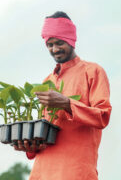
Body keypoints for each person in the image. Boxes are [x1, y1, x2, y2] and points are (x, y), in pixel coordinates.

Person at [14, 11, 112, 180]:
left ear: (71, 40)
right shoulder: (47, 82)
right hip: (41, 172)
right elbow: (43, 134)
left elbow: (103, 116)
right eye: (49, 44)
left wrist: (67, 104)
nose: (55, 49)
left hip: (76, 172)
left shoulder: (93, 72)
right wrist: (29, 146)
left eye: (59, 43)